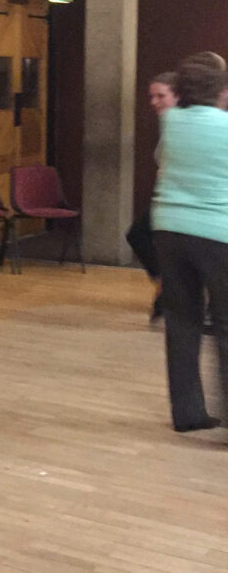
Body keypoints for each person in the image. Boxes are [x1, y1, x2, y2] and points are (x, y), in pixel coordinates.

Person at [151, 54, 228, 433]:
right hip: (218, 234)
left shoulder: (172, 122)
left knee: (181, 322)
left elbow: (163, 161)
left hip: (168, 229)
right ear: (221, 90)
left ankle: (188, 414)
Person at [125, 72, 178, 321]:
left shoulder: (182, 123)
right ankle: (164, 287)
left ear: (177, 96)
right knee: (139, 235)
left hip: (181, 198)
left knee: (140, 234)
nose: (154, 102)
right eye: (152, 96)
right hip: (168, 194)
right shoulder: (167, 121)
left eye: (161, 96)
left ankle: (166, 290)